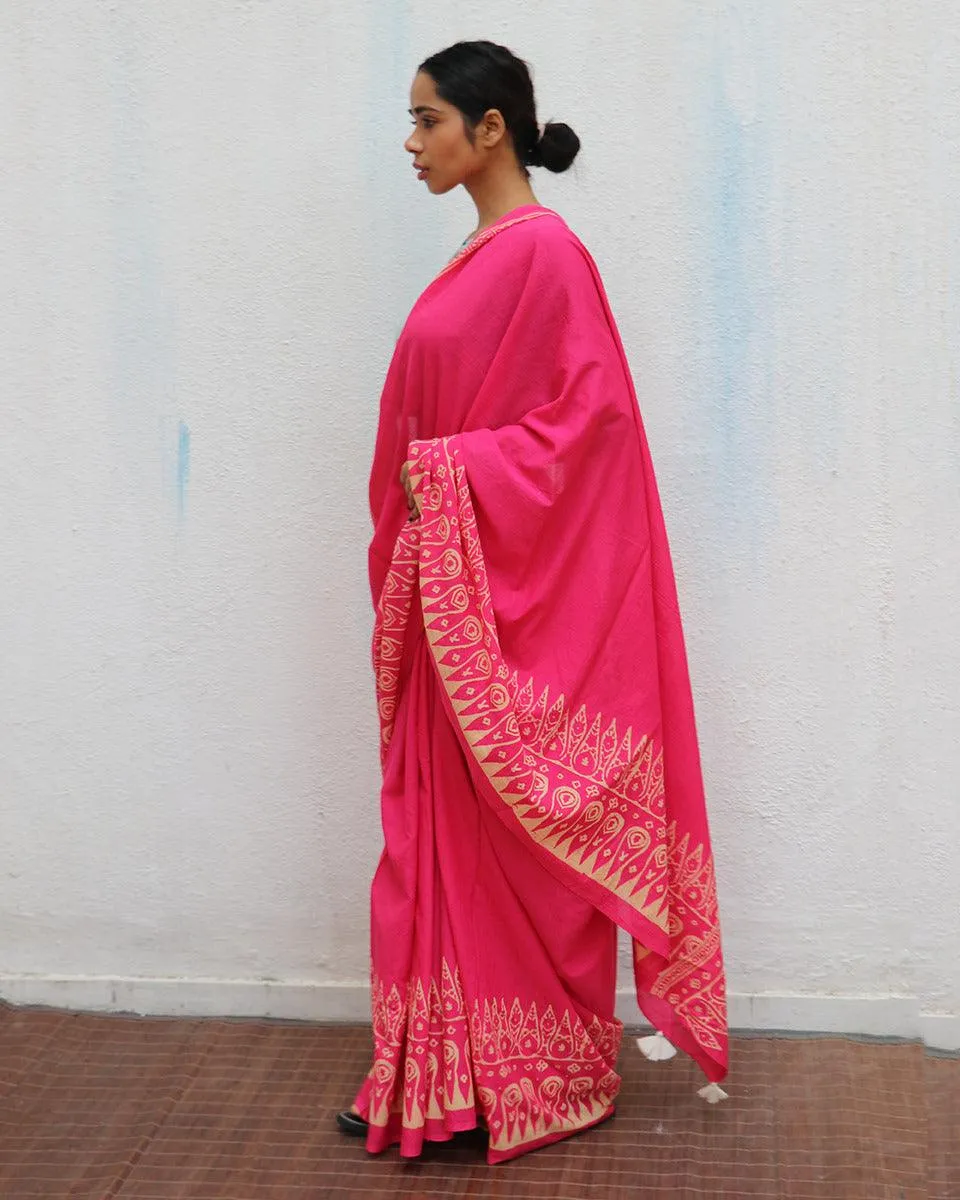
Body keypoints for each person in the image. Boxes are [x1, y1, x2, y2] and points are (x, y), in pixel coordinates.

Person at [337, 39, 728, 1165]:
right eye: (410, 124)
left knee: (510, 847)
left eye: (426, 122)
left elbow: (587, 436)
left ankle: (538, 1072)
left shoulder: (547, 256)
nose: (411, 146)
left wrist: (452, 478)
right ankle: (434, 1072)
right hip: (449, 602)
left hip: (501, 610)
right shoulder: (477, 258)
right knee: (428, 845)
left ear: (490, 126)